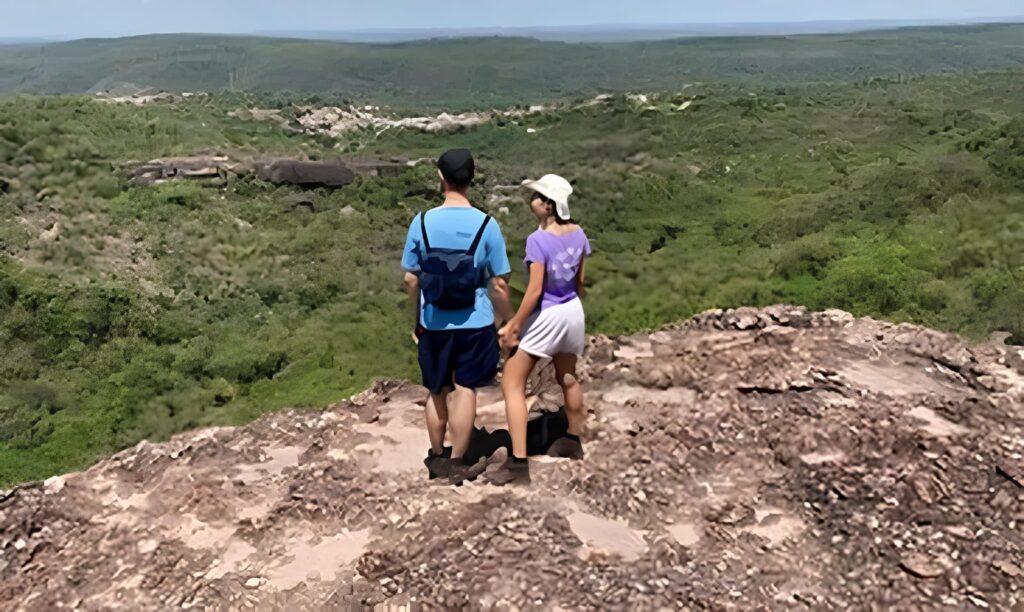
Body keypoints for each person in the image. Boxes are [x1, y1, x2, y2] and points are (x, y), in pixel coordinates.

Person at [402, 149, 513, 485]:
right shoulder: (486, 225)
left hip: (433, 321)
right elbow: (500, 284)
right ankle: (458, 461)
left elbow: (411, 279)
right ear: (472, 179)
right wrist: (506, 321)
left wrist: (415, 319)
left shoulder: (420, 222)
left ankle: (436, 457)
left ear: (441, 178)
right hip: (475, 322)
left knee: (437, 390)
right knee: (465, 389)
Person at [493, 174, 591, 485]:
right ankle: (572, 440)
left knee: (512, 382)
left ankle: (518, 463)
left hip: (549, 311)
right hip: (572, 309)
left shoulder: (538, 241)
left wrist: (515, 325)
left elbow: (534, 290)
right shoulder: (579, 234)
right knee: (567, 376)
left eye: (536, 197)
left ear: (548, 206)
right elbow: (580, 283)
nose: (530, 201)